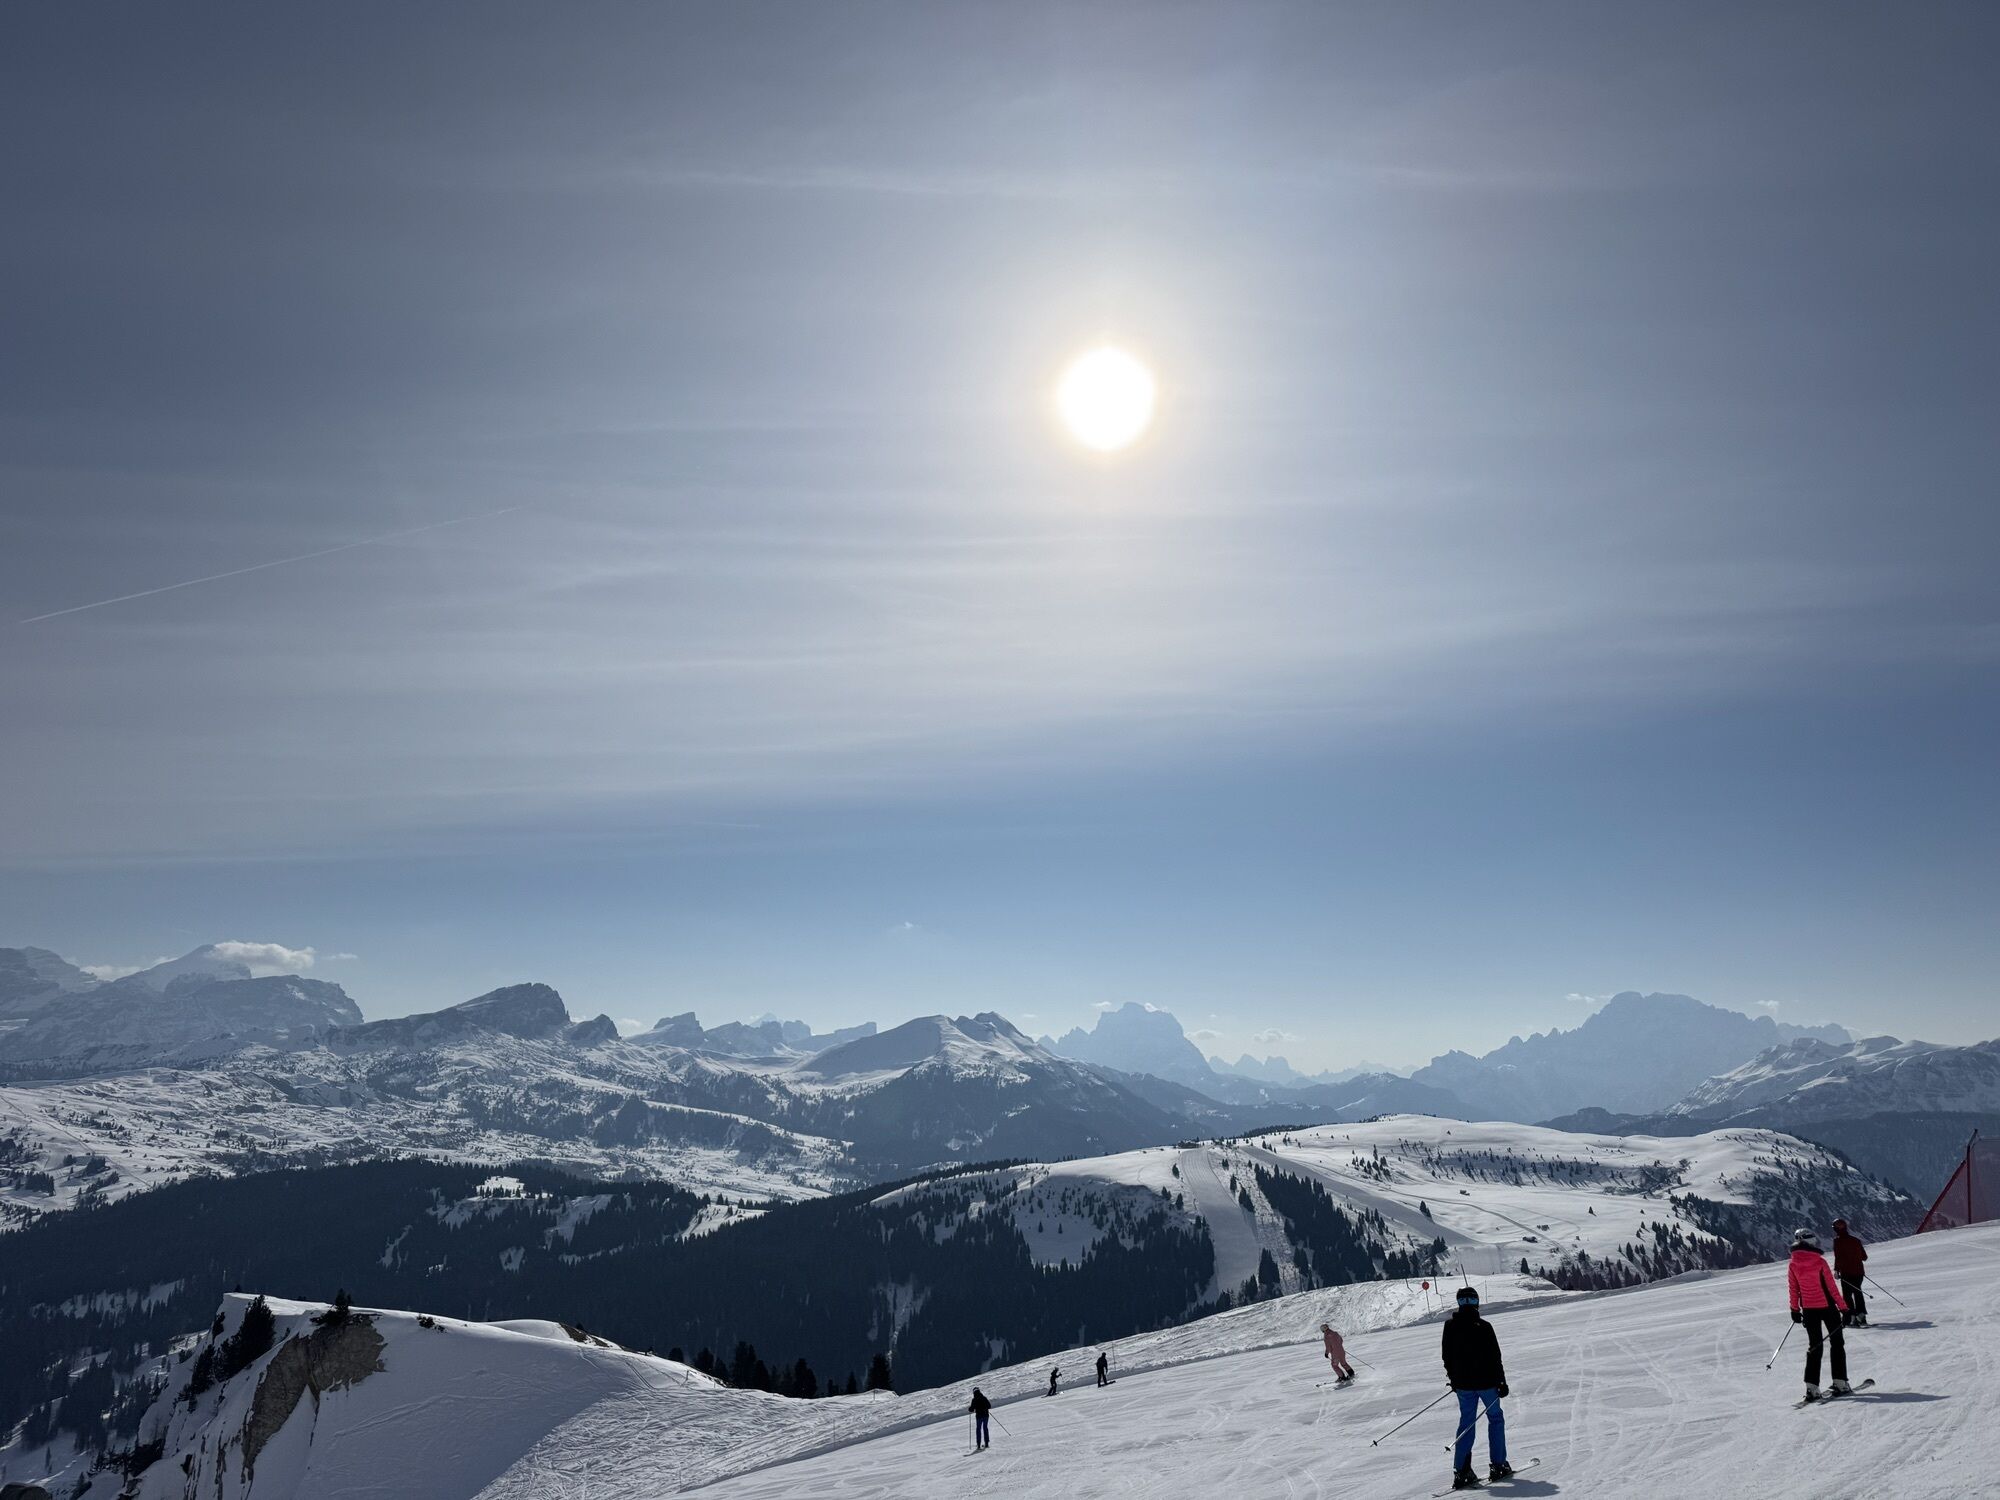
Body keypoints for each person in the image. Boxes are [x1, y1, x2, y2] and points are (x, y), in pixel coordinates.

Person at [1441, 1286, 1511, 1491]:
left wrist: (1454, 1379)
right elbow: (1495, 1357)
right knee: (1495, 1418)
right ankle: (1498, 1465)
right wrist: (1501, 1382)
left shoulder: (1450, 1326)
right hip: (1487, 1384)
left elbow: (1447, 1356)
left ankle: (1462, 1471)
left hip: (1464, 1386)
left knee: (1467, 1423)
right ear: (1476, 1303)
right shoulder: (1484, 1326)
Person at [1789, 1227, 1852, 1400]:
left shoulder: (1793, 1263)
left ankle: (1812, 1387)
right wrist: (1844, 1309)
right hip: (1828, 1307)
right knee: (1837, 1342)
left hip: (1809, 1310)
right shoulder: (1819, 1262)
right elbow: (1832, 1289)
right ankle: (1840, 1382)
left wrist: (1795, 1310)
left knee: (1815, 1346)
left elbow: (1793, 1289)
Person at [1831, 1219, 1868, 1327]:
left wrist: (1837, 1270)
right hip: (1859, 1272)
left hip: (1846, 1273)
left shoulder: (1837, 1241)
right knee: (1858, 1292)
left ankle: (1852, 1318)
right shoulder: (1856, 1240)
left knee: (1847, 1296)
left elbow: (1838, 1257)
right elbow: (1864, 1257)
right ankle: (1861, 1317)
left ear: (1835, 1229)